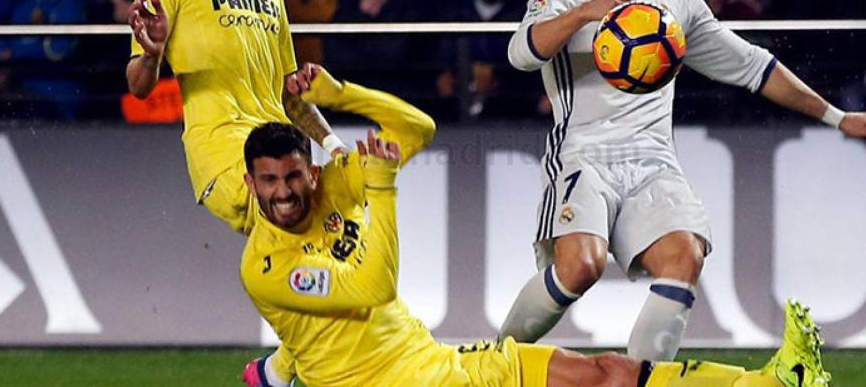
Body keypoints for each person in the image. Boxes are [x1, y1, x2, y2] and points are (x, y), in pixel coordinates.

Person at [502, 0, 866, 366]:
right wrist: (584, 13)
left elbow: (752, 66)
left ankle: (644, 381)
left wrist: (838, 117)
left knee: (685, 254)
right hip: (583, 157)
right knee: (581, 267)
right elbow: (521, 53)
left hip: (652, 161)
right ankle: (489, 364)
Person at [239, 64, 831, 387]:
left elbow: (416, 129)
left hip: (437, 363)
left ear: (310, 173)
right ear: (250, 184)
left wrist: (341, 92)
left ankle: (776, 383)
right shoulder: (268, 268)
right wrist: (382, 187)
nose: (283, 192)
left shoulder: (328, 188)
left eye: (292, 177)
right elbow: (372, 288)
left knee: (608, 372)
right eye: (268, 182)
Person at [124, 0, 344, 385]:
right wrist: (152, 52)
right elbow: (138, 83)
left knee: (345, 255)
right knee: (304, 243)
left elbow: (290, 91)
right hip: (225, 155)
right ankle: (283, 368)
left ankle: (275, 373)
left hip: (283, 149)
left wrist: (334, 144)